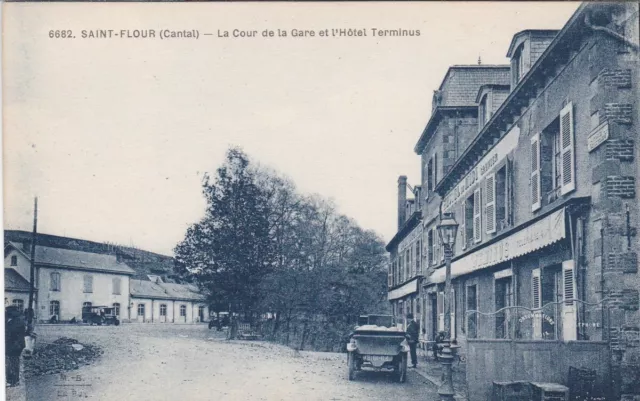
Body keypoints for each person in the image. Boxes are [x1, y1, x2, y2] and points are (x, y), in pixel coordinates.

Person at [5, 305, 26, 387]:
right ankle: (13, 380)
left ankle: (13, 381)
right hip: (15, 345)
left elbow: (11, 333)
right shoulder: (15, 320)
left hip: (15, 345)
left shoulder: (16, 321)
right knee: (13, 362)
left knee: (12, 363)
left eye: (7, 311)